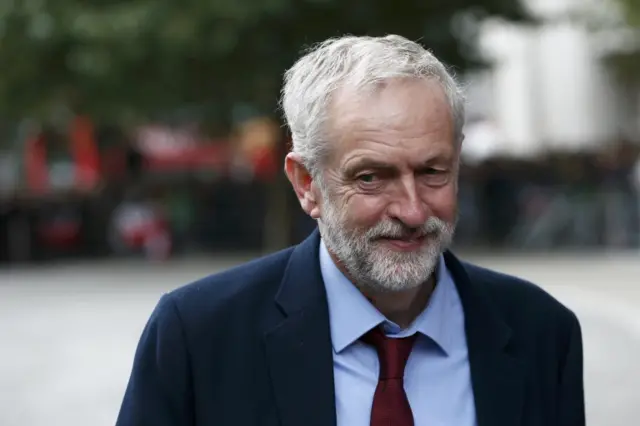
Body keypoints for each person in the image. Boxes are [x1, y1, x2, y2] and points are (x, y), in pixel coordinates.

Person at [116, 35, 585, 426]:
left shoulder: (542, 334)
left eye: (433, 172)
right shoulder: (198, 338)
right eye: (370, 177)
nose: (413, 209)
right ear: (306, 184)